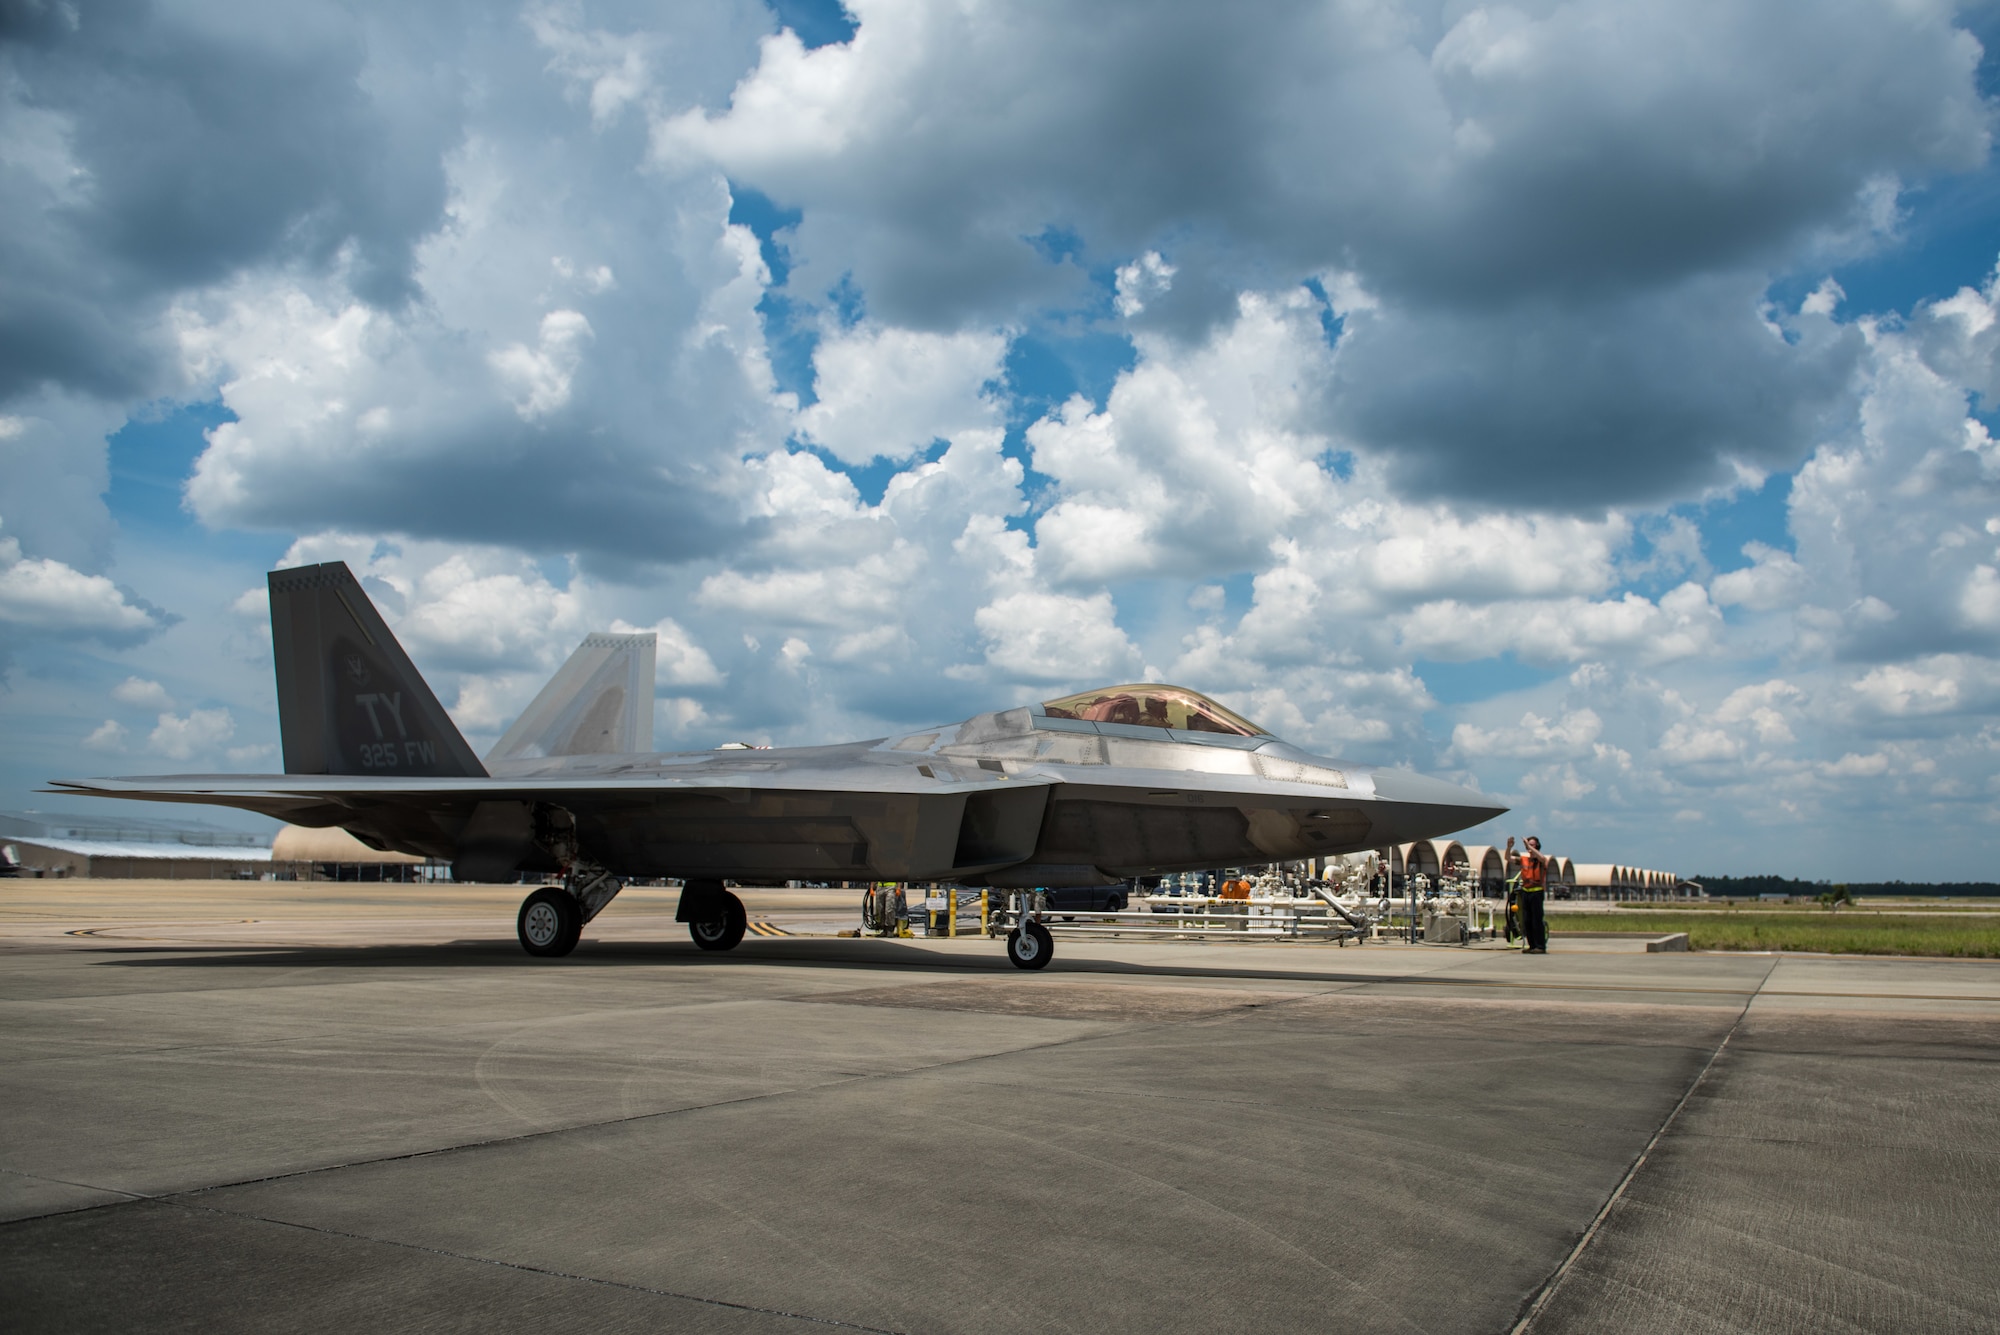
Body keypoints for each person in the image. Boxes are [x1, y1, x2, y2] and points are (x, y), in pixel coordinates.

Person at [1513, 835, 1549, 954]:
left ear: (1537, 846)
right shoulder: (1524, 859)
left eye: (1532, 844)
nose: (1529, 847)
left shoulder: (1541, 860)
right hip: (1526, 892)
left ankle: (1540, 946)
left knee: (1536, 920)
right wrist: (1509, 847)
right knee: (1527, 920)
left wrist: (1529, 847)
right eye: (1528, 845)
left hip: (1537, 892)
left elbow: (1542, 858)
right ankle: (1532, 945)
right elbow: (1508, 858)